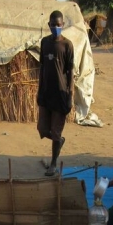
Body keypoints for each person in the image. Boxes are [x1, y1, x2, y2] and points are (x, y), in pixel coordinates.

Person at [37, 10, 74, 176]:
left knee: (56, 131)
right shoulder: (44, 43)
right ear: (49, 25)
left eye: (58, 25)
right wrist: (39, 91)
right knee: (42, 129)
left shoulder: (67, 45)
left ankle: (53, 163)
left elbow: (71, 72)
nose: (56, 28)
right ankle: (59, 141)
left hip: (60, 94)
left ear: (63, 25)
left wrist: (70, 95)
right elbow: (42, 68)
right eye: (53, 25)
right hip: (46, 93)